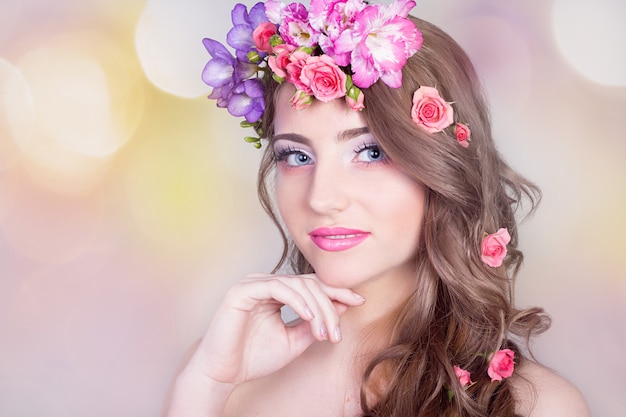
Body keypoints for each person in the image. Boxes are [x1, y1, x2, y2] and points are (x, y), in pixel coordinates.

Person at [165, 1, 590, 416]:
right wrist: (207, 385)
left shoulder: (536, 407)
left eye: (370, 153)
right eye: (296, 156)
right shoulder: (220, 379)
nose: (322, 198)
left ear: (440, 169)